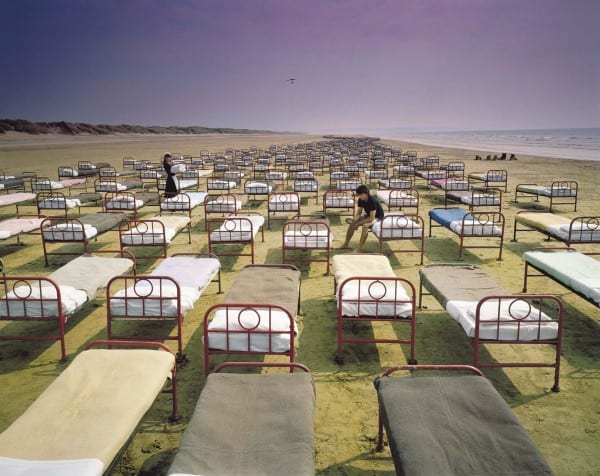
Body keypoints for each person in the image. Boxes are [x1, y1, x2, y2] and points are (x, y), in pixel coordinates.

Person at [339, 184, 384, 252]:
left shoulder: (372, 201)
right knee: (352, 224)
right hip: (368, 215)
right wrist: (354, 220)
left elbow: (371, 218)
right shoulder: (361, 200)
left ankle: (359, 248)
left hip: (378, 217)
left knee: (365, 226)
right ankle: (346, 244)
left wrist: (358, 224)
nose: (359, 196)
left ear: (365, 194)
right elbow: (358, 213)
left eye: (360, 195)